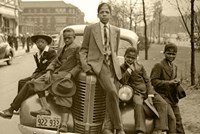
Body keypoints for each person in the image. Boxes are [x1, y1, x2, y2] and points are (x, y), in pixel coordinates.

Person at [79, 3, 125, 134]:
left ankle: (107, 127)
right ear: (98, 14)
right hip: (99, 65)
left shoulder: (116, 30)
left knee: (111, 96)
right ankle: (119, 127)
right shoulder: (90, 28)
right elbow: (83, 50)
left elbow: (114, 50)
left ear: (110, 14)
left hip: (113, 66)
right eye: (102, 12)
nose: (104, 14)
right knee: (112, 92)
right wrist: (86, 66)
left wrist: (115, 64)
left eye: (107, 12)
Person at [30, 28, 81, 132]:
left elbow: (80, 64)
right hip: (56, 75)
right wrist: (48, 71)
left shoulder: (77, 48)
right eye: (65, 38)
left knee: (64, 96)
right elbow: (54, 61)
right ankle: (45, 108)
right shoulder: (62, 48)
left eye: (69, 38)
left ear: (74, 38)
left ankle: (64, 124)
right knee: (38, 82)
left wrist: (71, 74)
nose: (67, 40)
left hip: (66, 77)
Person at [0, 34, 57, 119]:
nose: (40, 44)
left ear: (46, 43)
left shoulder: (51, 52)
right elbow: (39, 68)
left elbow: (50, 68)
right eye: (38, 42)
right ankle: (19, 107)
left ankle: (11, 109)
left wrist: (35, 78)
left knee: (28, 84)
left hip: (48, 77)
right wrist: (33, 76)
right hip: (40, 75)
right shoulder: (38, 53)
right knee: (21, 82)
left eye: (42, 42)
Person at [120, 47, 170, 134]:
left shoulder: (140, 67)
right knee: (138, 105)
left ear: (136, 58)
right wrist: (128, 71)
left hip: (147, 91)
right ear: (124, 56)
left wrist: (150, 93)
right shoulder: (122, 68)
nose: (130, 59)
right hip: (136, 92)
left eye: (133, 58)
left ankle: (162, 129)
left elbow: (147, 80)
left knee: (162, 103)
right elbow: (122, 81)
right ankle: (140, 130)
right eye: (128, 57)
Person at [150, 43, 185, 134]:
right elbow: (153, 82)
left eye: (173, 54)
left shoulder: (174, 67)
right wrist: (168, 83)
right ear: (164, 53)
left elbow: (173, 80)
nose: (171, 56)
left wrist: (176, 83)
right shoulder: (159, 65)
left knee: (178, 119)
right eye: (169, 53)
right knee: (171, 118)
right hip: (161, 96)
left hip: (172, 97)